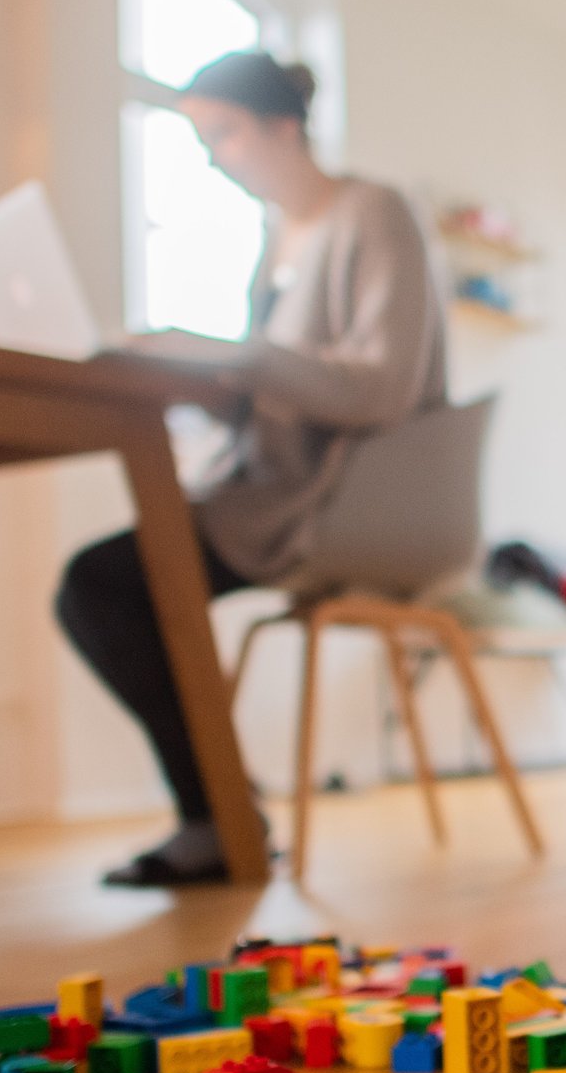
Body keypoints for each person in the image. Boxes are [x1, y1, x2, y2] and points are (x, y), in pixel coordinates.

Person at [57, 52, 447, 887]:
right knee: (106, 583)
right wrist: (197, 382)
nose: (213, 157)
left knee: (104, 582)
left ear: (283, 126)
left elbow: (380, 387)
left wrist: (231, 355)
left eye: (223, 133)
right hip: (271, 487)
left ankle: (214, 815)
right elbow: (271, 393)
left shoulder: (373, 213)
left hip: (338, 499)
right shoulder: (274, 244)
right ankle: (219, 806)